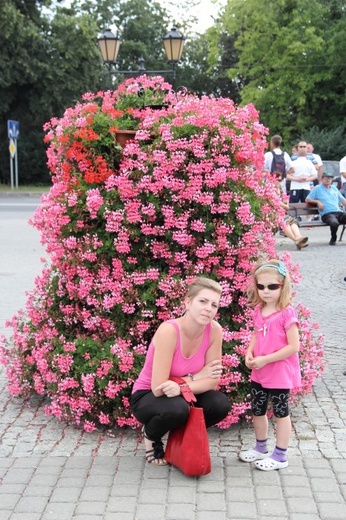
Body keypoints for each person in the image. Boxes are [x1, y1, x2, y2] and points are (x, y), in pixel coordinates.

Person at [130, 277, 230, 466]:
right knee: (176, 408)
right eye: (203, 301)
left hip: (180, 392)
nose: (209, 308)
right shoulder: (169, 331)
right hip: (148, 396)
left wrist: (182, 385)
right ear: (187, 302)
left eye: (214, 304)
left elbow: (212, 382)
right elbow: (159, 387)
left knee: (220, 404)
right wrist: (196, 377)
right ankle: (151, 435)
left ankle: (178, 439)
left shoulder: (214, 330)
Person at [239, 259, 301, 471]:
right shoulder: (259, 310)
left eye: (272, 286)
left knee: (281, 412)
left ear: (283, 286)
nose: (266, 291)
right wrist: (249, 351)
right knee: (258, 410)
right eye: (261, 286)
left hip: (279, 373)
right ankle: (260, 447)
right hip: (259, 371)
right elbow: (256, 335)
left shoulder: (286, 313)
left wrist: (266, 359)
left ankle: (281, 455)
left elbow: (294, 346)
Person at [306, 171, 346, 245]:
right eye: (326, 178)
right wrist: (318, 202)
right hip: (327, 213)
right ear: (322, 179)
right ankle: (333, 237)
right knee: (334, 223)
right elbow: (307, 199)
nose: (328, 180)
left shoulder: (334, 188)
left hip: (338, 212)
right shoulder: (317, 188)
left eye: (330, 178)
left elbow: (343, 200)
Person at [273, 172, 308, 249]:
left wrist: (286, 204)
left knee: (293, 221)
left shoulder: (281, 190)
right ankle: (296, 240)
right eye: (277, 179)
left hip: (281, 213)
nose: (279, 181)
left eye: (280, 180)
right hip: (271, 214)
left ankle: (299, 237)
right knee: (285, 221)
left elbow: (286, 199)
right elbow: (275, 201)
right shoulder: (270, 190)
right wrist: (285, 205)